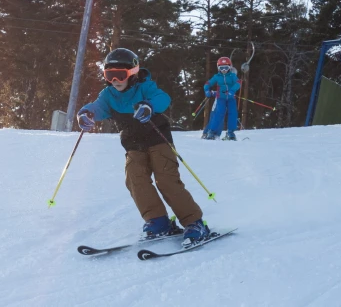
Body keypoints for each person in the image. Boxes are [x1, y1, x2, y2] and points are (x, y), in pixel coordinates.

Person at [76, 48, 210, 242]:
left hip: (158, 141)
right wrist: (85, 114)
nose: (115, 81)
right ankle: (158, 221)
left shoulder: (145, 87)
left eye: (120, 75)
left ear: (132, 73)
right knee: (134, 179)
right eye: (109, 75)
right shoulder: (108, 95)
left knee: (166, 180)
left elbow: (163, 98)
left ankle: (194, 222)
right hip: (133, 145)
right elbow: (97, 107)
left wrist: (149, 105)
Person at [203, 57, 241, 140]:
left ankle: (230, 133)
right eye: (221, 68)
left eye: (226, 68)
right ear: (218, 68)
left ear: (230, 67)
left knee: (233, 114)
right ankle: (211, 131)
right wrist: (207, 90)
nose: (224, 70)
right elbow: (207, 84)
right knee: (219, 114)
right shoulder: (217, 76)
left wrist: (232, 91)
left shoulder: (232, 76)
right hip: (221, 98)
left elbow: (238, 83)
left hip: (231, 98)